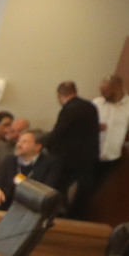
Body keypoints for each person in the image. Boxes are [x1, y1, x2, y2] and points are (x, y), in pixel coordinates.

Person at [46, 80, 102, 217]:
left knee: (57, 187)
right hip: (89, 157)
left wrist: (44, 144)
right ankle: (74, 215)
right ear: (75, 92)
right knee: (82, 192)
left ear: (59, 95)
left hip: (68, 158)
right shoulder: (90, 106)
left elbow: (59, 132)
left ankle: (53, 214)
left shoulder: (69, 109)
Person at [94, 75, 129, 198]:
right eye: (101, 91)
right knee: (83, 189)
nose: (103, 94)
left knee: (98, 192)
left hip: (111, 156)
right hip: (91, 153)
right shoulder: (97, 102)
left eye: (106, 91)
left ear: (118, 89)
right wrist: (95, 126)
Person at [0, 128, 61, 208]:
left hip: (33, 207)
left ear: (37, 147)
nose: (18, 145)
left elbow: (48, 191)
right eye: (19, 141)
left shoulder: (50, 164)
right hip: (6, 205)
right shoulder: (10, 160)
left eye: (24, 142)